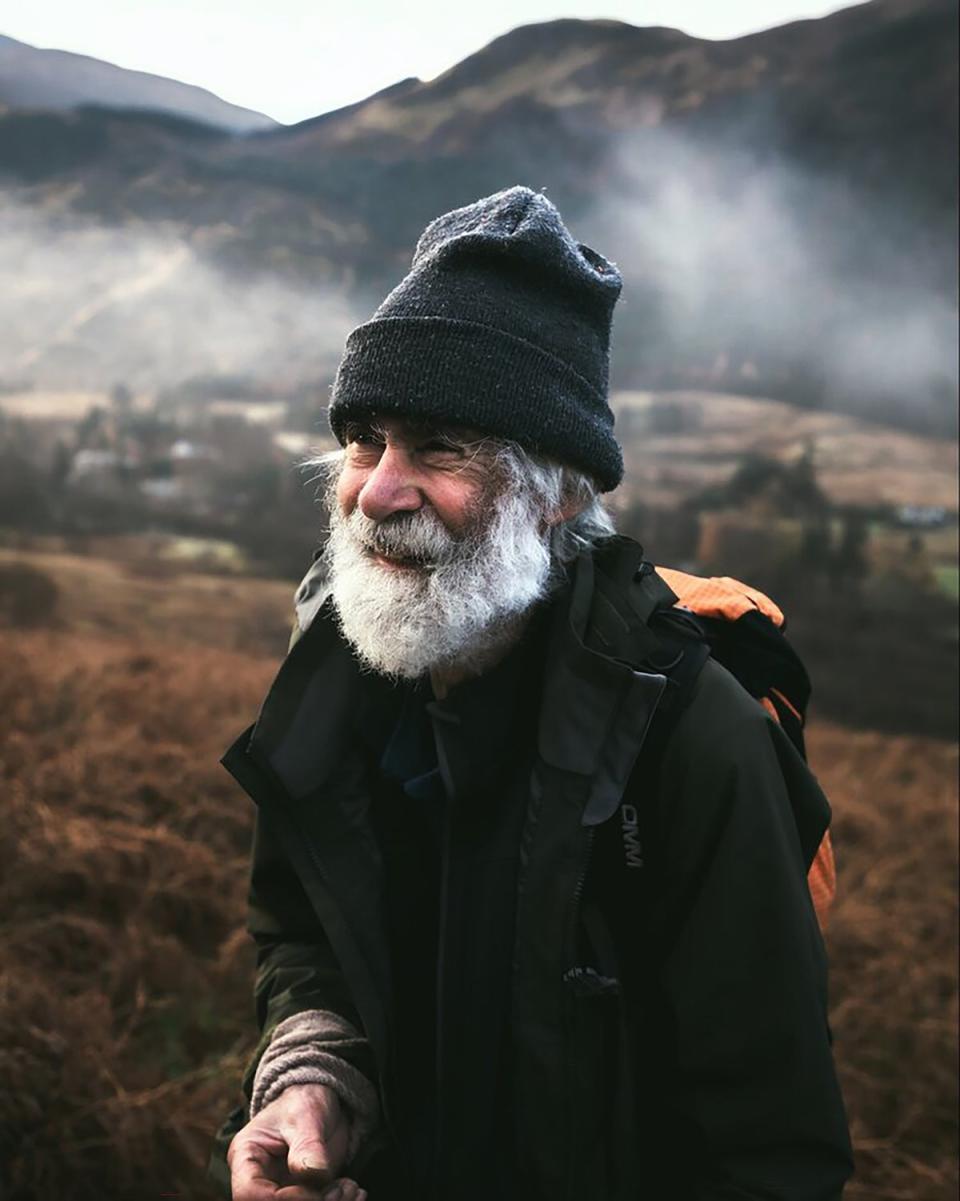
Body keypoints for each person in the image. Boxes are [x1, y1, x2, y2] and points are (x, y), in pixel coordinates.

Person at [209, 185, 853, 1201]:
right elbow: (304, 928)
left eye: (441, 447)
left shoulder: (688, 737)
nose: (378, 489)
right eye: (366, 439)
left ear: (558, 493)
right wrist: (316, 1075)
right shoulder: (342, 679)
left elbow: (770, 1149)